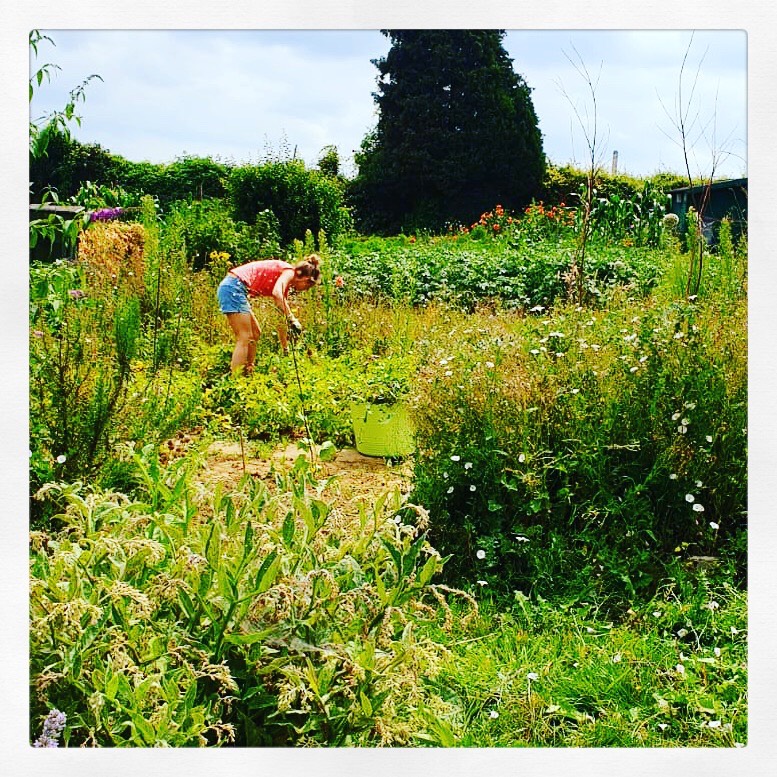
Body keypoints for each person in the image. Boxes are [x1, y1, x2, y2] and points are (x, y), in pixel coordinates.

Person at [217, 254, 321, 375]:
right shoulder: (289, 272)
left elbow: (280, 318)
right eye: (308, 287)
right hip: (234, 287)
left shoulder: (285, 284)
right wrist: (292, 318)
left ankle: (248, 371)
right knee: (244, 337)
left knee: (255, 333)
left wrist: (285, 348)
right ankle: (235, 379)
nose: (305, 290)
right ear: (306, 279)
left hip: (236, 287)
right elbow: (277, 293)